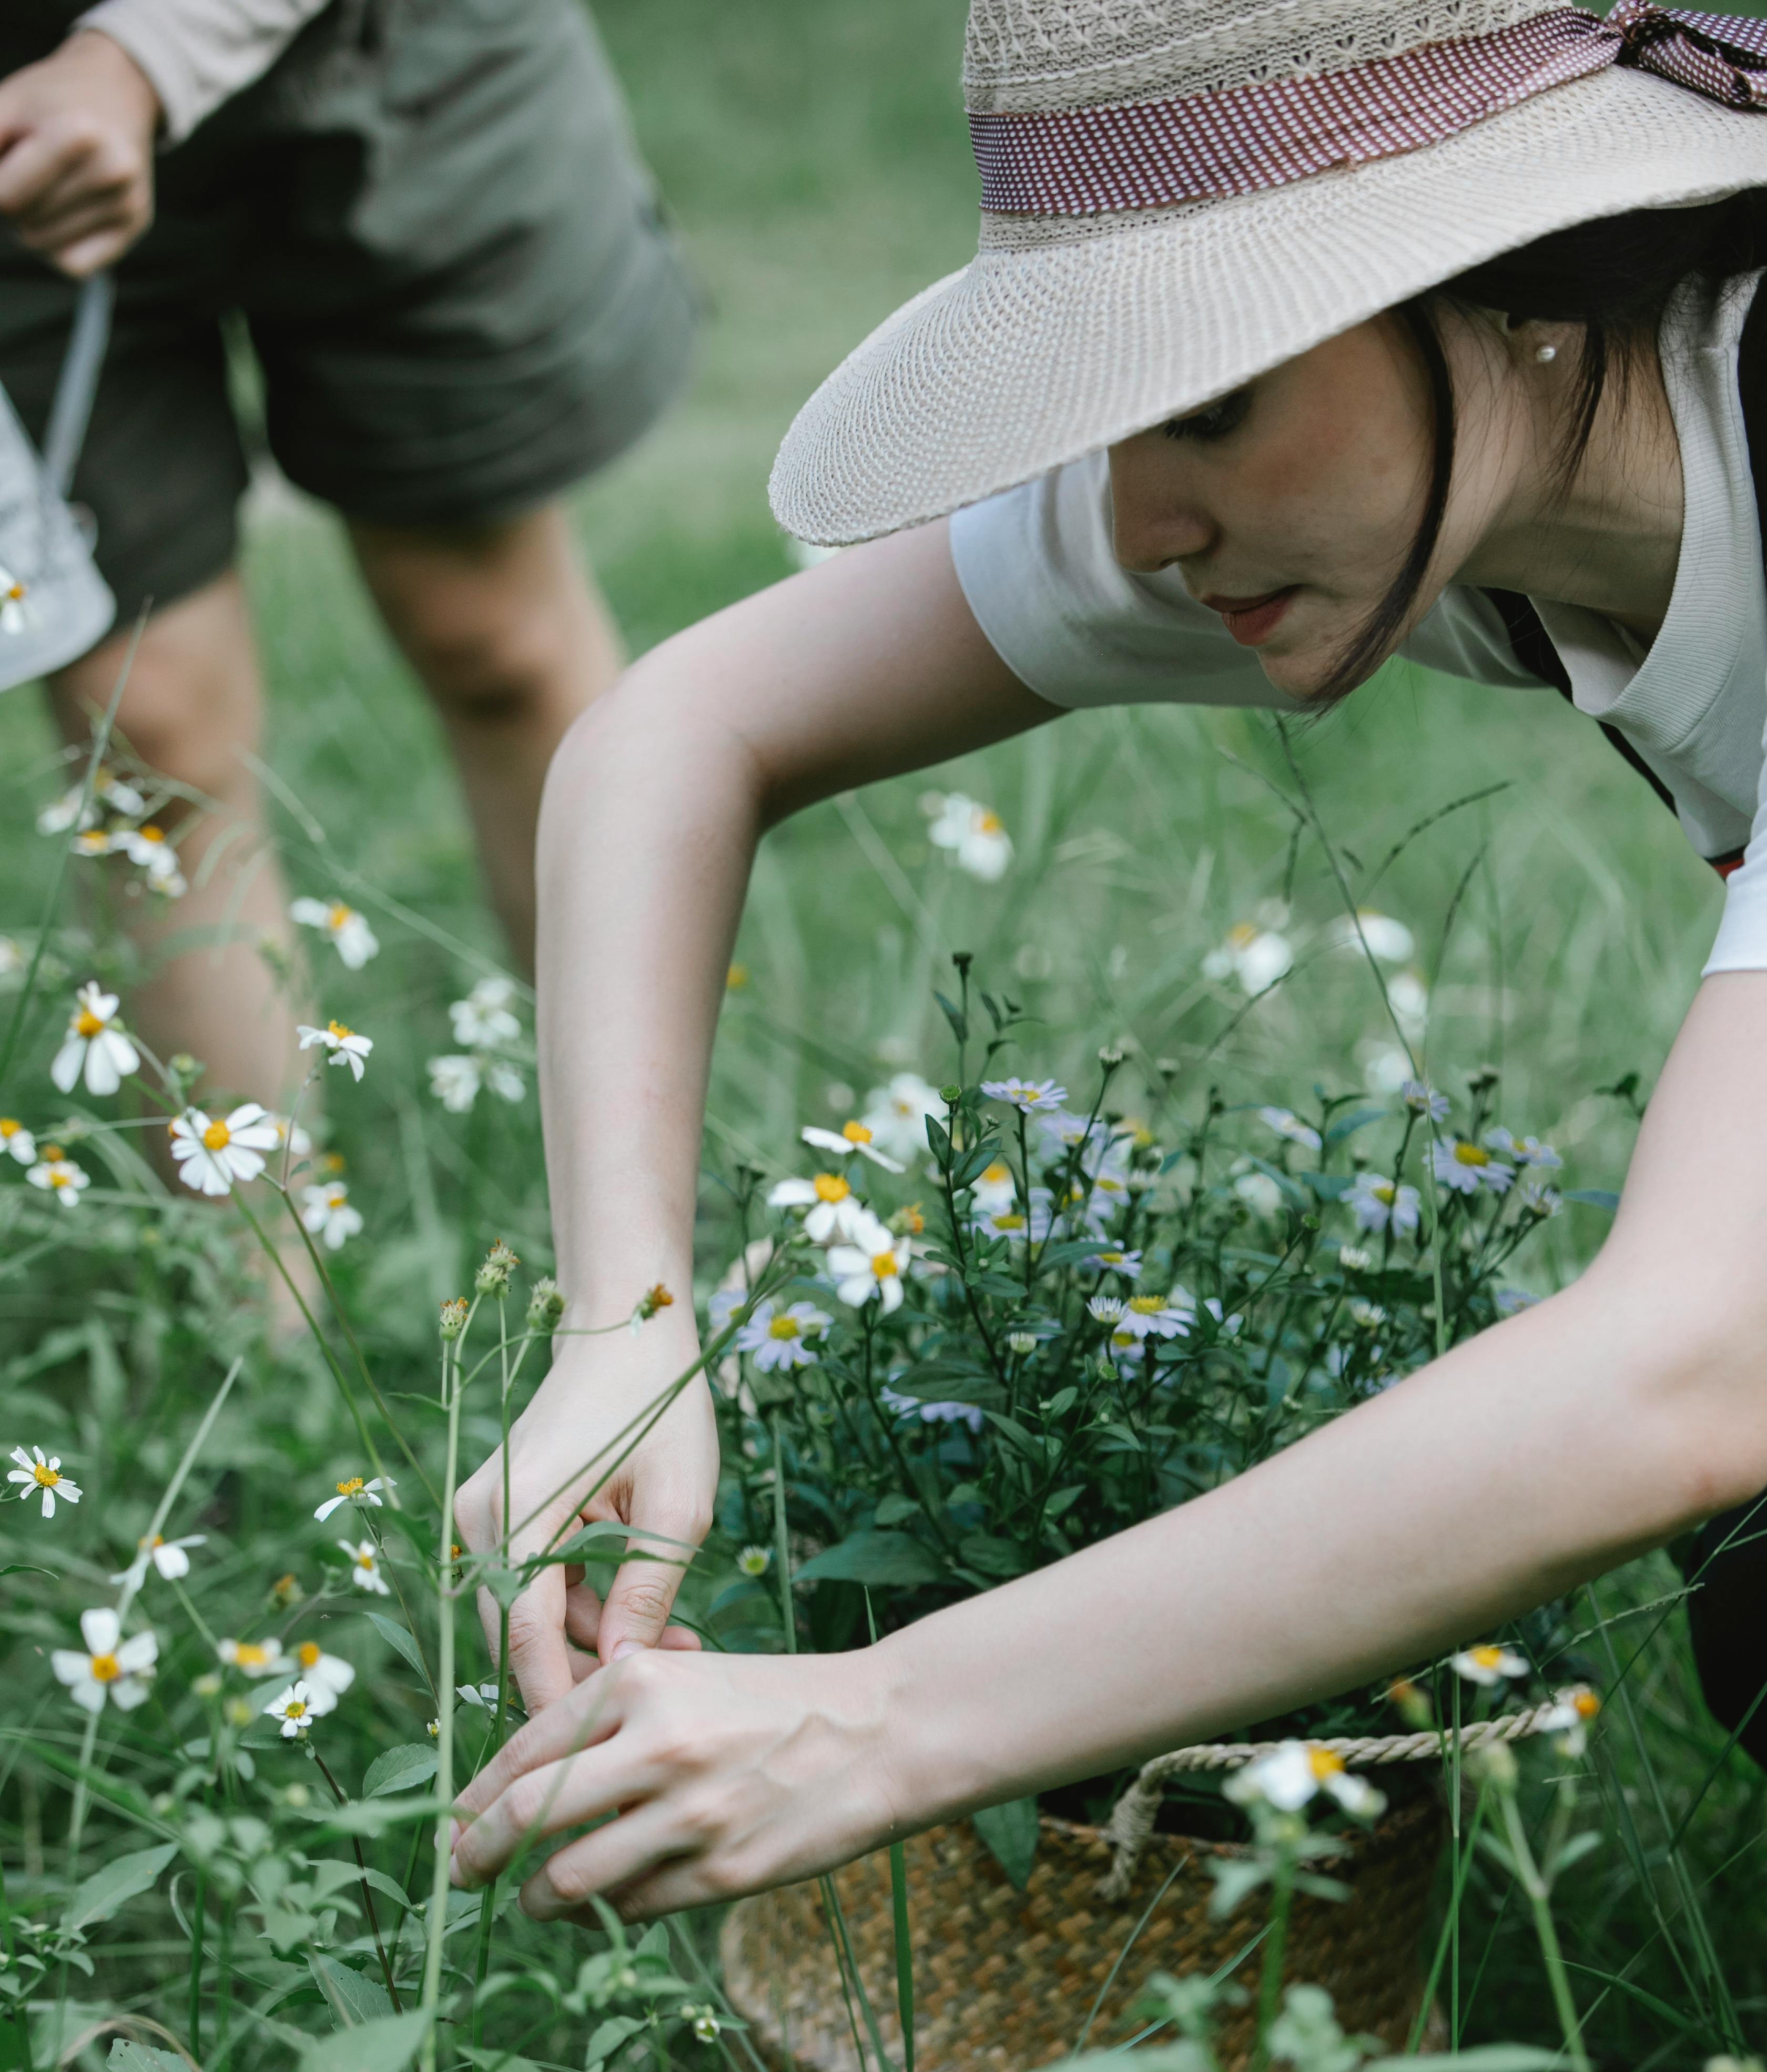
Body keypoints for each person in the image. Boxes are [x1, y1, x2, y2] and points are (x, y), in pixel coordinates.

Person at [448, 0, 1767, 1921]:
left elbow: (1689, 1366)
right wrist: (619, 1343)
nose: (1144, 522)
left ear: (1506, 285)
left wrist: (878, 1722)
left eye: (1210, 395)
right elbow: (680, 732)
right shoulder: (1450, 457)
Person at [0, 0, 692, 1120]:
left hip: (398, 49)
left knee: (490, 627)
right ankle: (250, 1281)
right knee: (146, 737)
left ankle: (668, 1226)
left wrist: (140, 56)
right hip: (15, 123)